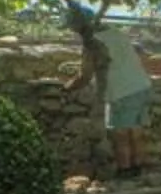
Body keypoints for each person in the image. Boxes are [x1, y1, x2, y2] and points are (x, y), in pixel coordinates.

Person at [67, 17, 156, 175]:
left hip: (121, 91)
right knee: (136, 131)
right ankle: (139, 169)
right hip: (142, 86)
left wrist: (66, 88)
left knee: (120, 135)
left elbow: (85, 76)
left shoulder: (92, 43)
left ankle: (125, 171)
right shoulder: (116, 33)